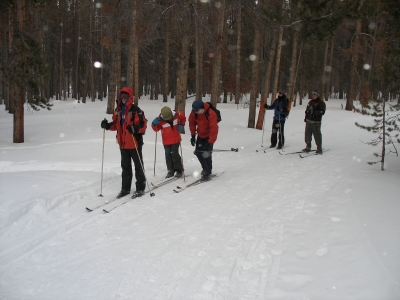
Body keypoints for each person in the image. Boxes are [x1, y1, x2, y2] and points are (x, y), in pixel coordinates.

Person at [100, 87, 147, 199]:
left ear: (130, 97)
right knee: (125, 167)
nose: (123, 98)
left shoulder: (136, 110)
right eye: (122, 96)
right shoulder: (118, 110)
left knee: (138, 166)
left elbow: (143, 126)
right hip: (123, 143)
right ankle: (125, 188)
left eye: (125, 96)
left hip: (134, 142)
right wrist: (107, 126)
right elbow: (116, 125)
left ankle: (140, 187)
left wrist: (134, 129)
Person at [151, 106, 186, 178]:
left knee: (174, 154)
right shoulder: (160, 120)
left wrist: (181, 125)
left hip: (176, 139)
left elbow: (183, 118)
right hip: (166, 140)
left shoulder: (178, 115)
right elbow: (156, 129)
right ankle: (170, 170)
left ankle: (179, 170)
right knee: (168, 155)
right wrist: (154, 124)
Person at [189, 100, 219, 181]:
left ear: (202, 109)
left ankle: (207, 171)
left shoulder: (210, 113)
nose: (197, 113)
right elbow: (191, 122)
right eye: (195, 111)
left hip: (209, 136)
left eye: (198, 111)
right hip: (201, 135)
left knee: (206, 154)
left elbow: (214, 128)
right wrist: (192, 135)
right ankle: (205, 168)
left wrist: (211, 142)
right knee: (198, 152)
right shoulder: (194, 113)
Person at [303, 90, 326, 154]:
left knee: (317, 135)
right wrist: (306, 118)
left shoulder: (321, 103)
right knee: (307, 134)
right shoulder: (310, 102)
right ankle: (308, 146)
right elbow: (307, 111)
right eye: (313, 95)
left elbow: (322, 112)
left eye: (315, 95)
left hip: (316, 122)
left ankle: (319, 148)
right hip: (309, 121)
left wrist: (314, 112)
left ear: (318, 95)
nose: (313, 96)